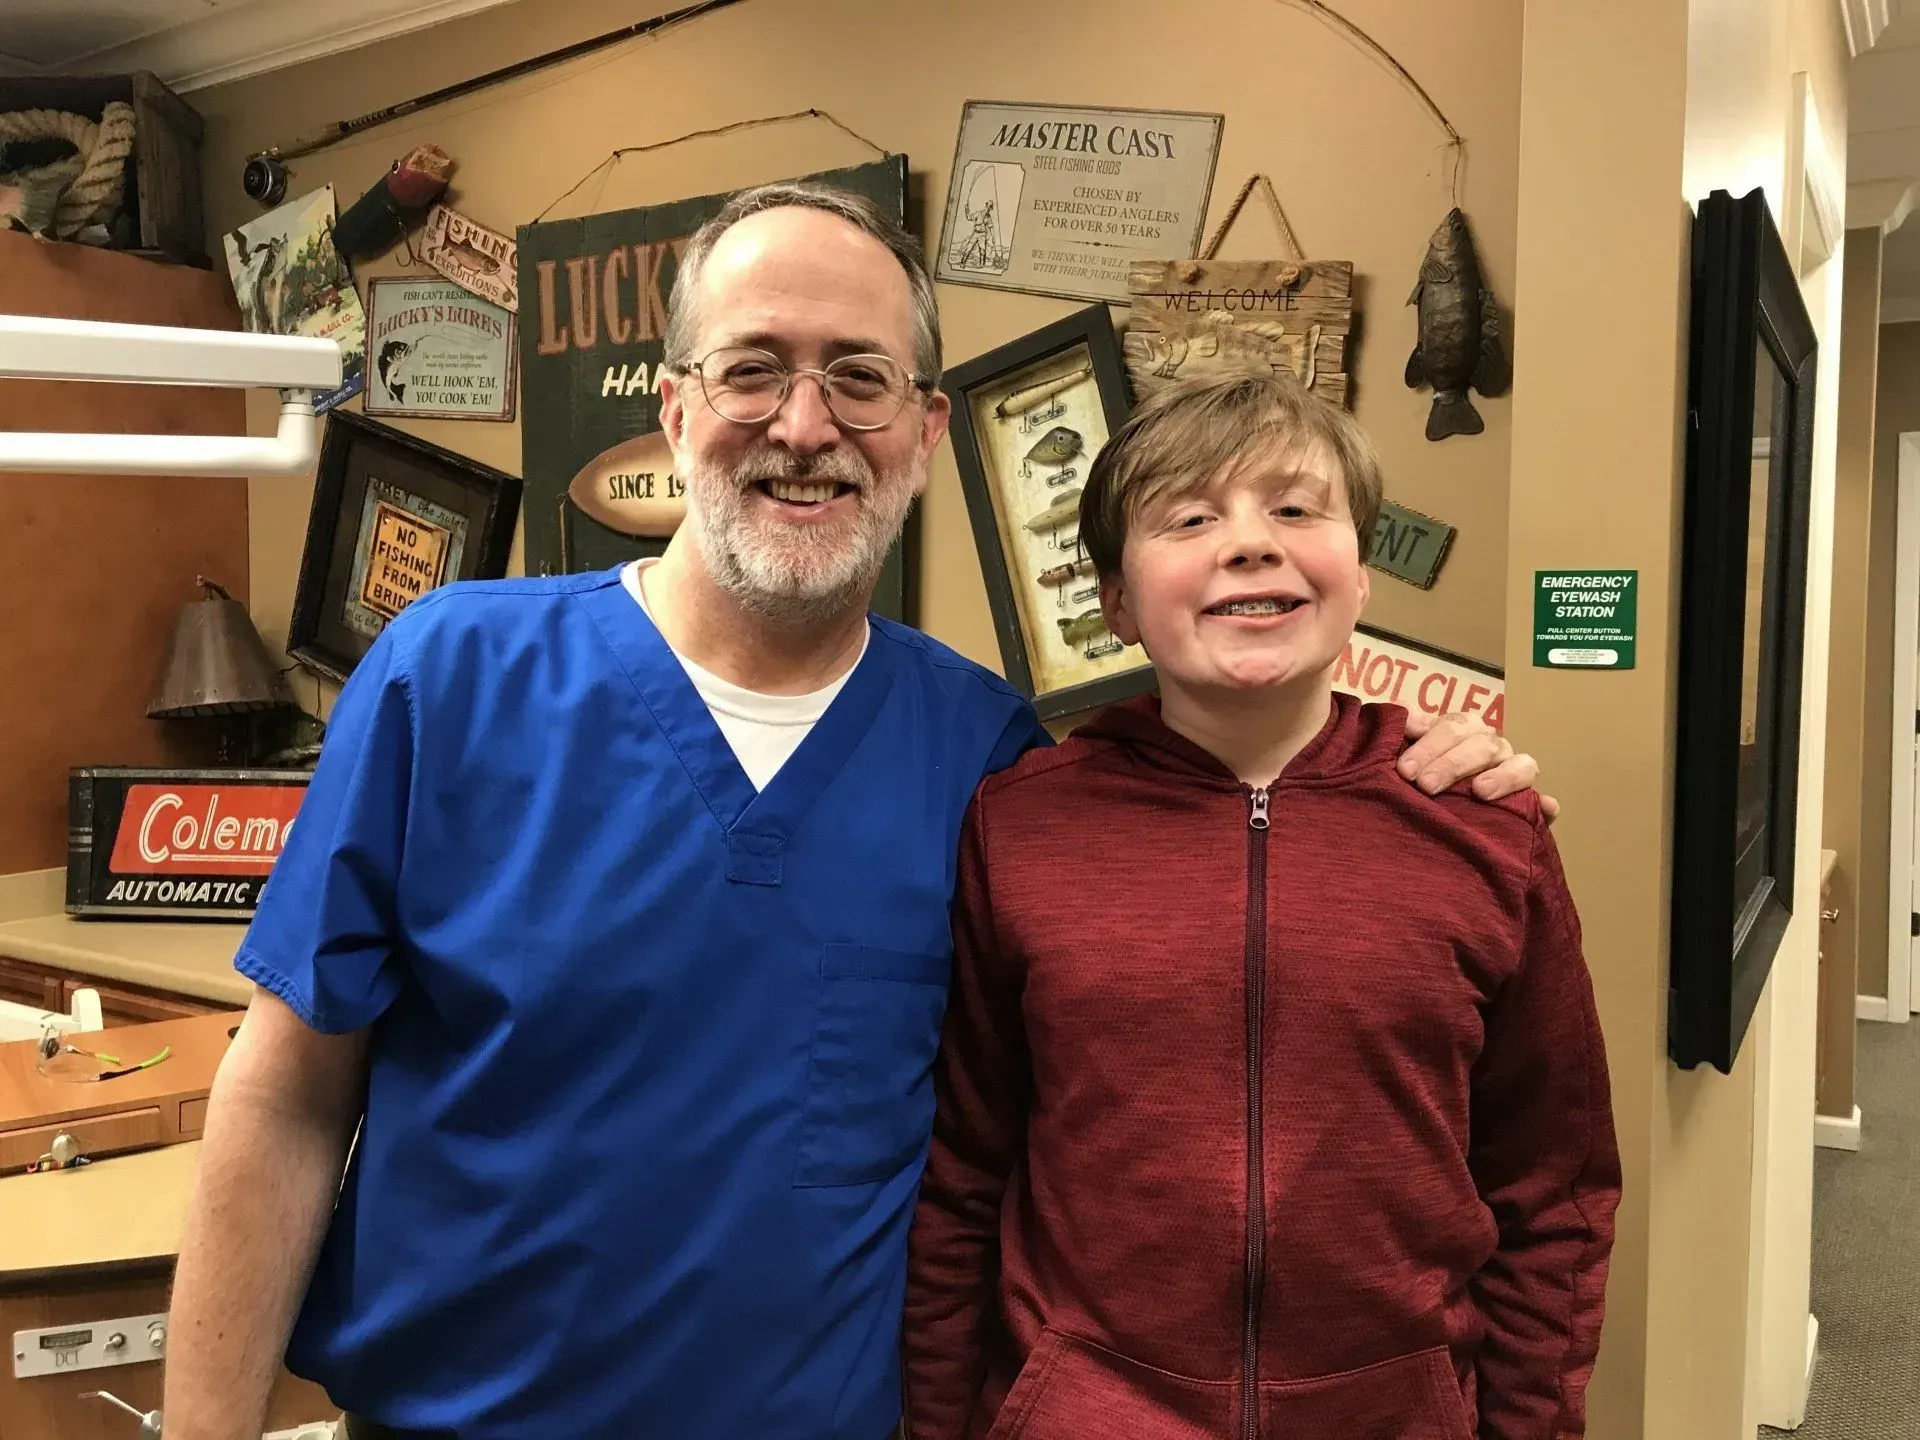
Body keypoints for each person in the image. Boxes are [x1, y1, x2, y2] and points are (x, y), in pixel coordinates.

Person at [162, 183, 1547, 1440]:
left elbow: (1085, 1103)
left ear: (928, 433)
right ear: (676, 406)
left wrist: (1384, 767)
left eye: (861, 379)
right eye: (753, 368)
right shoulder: (450, 675)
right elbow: (285, 1095)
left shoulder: (995, 762)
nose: (806, 424)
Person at [903, 372, 1619, 1440]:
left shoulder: (1485, 830)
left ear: (1360, 573)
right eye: (1190, 518)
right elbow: (964, 1176)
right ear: (1114, 602)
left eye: (1295, 507)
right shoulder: (1022, 828)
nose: (1250, 543)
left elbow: (1551, 1191)